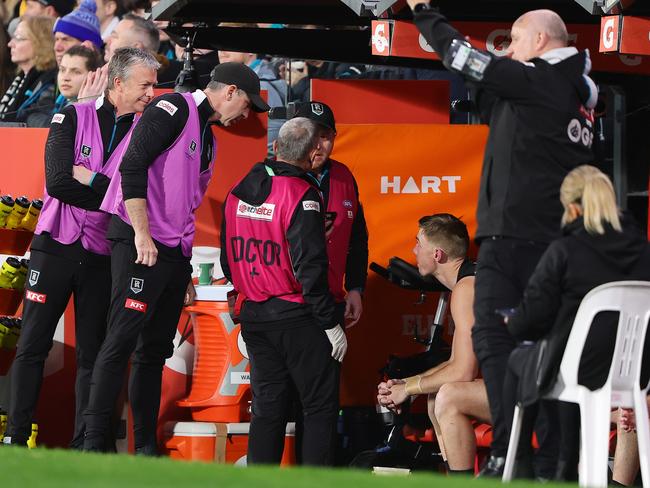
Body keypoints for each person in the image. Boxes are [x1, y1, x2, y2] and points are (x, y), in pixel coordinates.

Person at [405, 1, 598, 477]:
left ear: (538, 43)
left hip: (513, 242)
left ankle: (509, 455)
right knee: (550, 354)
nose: (508, 52)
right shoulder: (580, 98)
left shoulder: (536, 80)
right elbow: (500, 106)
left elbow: (458, 54)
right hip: (561, 247)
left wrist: (421, 9)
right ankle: (554, 464)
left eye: (513, 41)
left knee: (495, 342)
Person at [82, 62, 269, 454]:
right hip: (139, 241)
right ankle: (93, 445)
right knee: (120, 340)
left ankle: (145, 448)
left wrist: (183, 267)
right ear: (230, 92)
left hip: (170, 253)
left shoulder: (210, 136)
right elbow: (132, 166)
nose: (247, 115)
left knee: (154, 351)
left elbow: (187, 207)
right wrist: (142, 235)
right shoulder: (174, 109)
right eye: (248, 105)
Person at [2, 47, 158, 449]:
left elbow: (139, 196)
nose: (152, 93)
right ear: (118, 83)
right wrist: (113, 192)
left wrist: (90, 180)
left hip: (104, 254)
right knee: (32, 344)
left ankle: (86, 444)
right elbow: (57, 183)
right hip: (54, 244)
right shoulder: (71, 114)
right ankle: (16, 438)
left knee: (93, 355)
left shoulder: (147, 130)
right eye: (146, 85)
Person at [503, 165, 650, 480]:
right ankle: (564, 466)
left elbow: (529, 321)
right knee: (570, 353)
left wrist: (512, 321)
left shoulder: (565, 250)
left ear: (571, 208)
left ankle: (519, 461)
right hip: (636, 373)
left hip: (580, 368)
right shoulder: (644, 250)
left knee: (520, 358)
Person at [220, 117, 344, 466]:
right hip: (298, 318)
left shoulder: (237, 190)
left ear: (276, 148)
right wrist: (330, 323)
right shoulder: (302, 194)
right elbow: (311, 269)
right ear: (312, 153)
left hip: (255, 318)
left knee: (267, 409)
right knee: (318, 408)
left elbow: (227, 260)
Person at [377, 213, 486, 475]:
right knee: (436, 394)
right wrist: (407, 386)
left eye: (418, 243)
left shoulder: (467, 289)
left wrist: (409, 388)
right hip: (519, 383)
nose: (414, 250)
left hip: (540, 390)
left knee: (449, 395)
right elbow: (456, 363)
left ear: (437, 254)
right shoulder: (467, 282)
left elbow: (463, 373)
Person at [290, 101, 368, 328]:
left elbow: (357, 239)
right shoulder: (274, 176)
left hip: (331, 302)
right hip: (286, 304)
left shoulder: (344, 176)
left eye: (325, 136)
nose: (318, 145)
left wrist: (355, 288)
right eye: (310, 135)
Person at [218, 48, 287, 151]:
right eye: (219, 46)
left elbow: (273, 133)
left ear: (251, 50)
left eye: (229, 45)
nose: (222, 51)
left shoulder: (262, 86)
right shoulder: (241, 81)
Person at [78, 13, 159, 101]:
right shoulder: (100, 76)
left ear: (135, 48)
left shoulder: (151, 95)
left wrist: (90, 105)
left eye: (114, 36)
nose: (106, 40)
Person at [1, 15, 56, 127]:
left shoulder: (48, 82)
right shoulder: (20, 78)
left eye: (19, 38)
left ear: (41, 43)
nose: (10, 44)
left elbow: (33, 122)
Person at [52, 0, 103, 66]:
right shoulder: (49, 74)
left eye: (65, 40)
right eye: (56, 39)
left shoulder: (107, 75)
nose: (57, 48)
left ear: (88, 46)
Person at [54, 44, 101, 111]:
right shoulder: (60, 104)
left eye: (76, 72)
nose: (65, 78)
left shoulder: (101, 111)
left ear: (94, 76)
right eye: (62, 70)